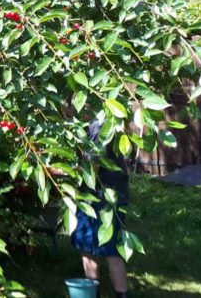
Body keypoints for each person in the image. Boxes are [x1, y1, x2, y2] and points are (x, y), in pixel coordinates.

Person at [70, 117, 131, 298]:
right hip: (100, 194)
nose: (67, 114)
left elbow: (92, 168)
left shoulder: (99, 127)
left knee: (110, 248)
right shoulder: (101, 123)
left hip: (104, 196)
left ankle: (117, 294)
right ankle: (93, 293)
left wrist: (65, 171)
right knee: (88, 244)